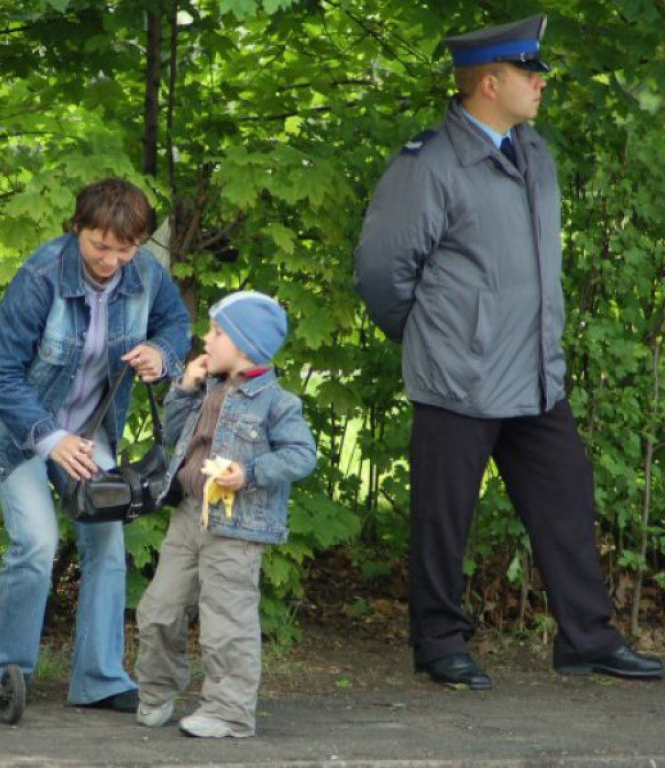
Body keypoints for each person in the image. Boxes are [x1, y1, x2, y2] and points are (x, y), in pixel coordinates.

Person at [353, 13, 663, 690]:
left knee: (565, 499)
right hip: (456, 375)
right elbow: (382, 271)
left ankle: (586, 638)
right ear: (489, 83)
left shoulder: (536, 154)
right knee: (444, 514)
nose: (541, 83)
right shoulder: (430, 164)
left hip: (533, 375)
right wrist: (430, 336)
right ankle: (438, 643)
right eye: (530, 73)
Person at [0, 177, 191, 711]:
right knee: (37, 543)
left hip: (90, 433)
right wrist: (51, 439)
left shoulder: (145, 274)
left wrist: (161, 355)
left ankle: (100, 679)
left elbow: (176, 323)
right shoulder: (40, 276)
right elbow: (0, 377)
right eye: (100, 246)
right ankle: (1, 674)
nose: (112, 259)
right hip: (19, 432)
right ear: (77, 229)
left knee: (108, 543)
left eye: (125, 248)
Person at [134, 291, 317, 738]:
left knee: (226, 621)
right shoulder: (208, 389)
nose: (206, 339)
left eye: (217, 332)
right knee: (159, 608)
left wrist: (250, 473)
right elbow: (174, 438)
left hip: (235, 527)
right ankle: (157, 692)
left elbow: (301, 455)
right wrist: (183, 389)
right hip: (189, 517)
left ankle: (230, 711)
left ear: (244, 344)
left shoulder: (277, 403)